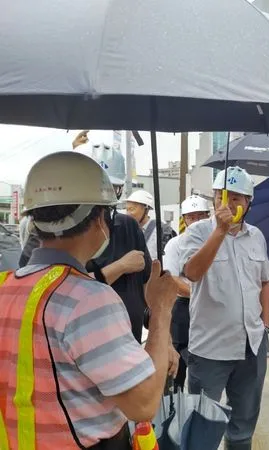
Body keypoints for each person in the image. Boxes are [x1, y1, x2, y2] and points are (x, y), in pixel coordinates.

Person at [0, 151, 178, 449]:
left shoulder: (5, 287)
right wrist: (160, 312)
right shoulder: (87, 298)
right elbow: (143, 403)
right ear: (99, 218)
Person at [20, 132, 156, 344]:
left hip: (129, 337)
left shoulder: (127, 226)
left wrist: (158, 327)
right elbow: (44, 291)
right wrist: (118, 268)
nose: (99, 213)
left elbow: (145, 281)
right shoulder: (47, 234)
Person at [181, 166, 269, 450]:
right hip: (210, 349)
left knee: (243, 428)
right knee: (200, 429)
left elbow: (265, 282)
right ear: (213, 201)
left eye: (237, 198)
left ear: (248, 203)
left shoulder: (256, 236)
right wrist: (219, 232)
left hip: (251, 346)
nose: (229, 204)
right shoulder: (197, 232)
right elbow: (192, 273)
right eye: (223, 197)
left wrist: (265, 326)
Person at [163, 195, 211, 391]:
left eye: (201, 216)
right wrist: (200, 293)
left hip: (211, 309)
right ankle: (175, 402)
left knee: (206, 361)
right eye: (191, 217)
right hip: (184, 308)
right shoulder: (175, 244)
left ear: (209, 216)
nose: (196, 221)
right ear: (184, 219)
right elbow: (172, 279)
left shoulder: (217, 242)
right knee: (180, 360)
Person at [126, 190, 176, 260]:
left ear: (146, 210)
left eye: (132, 209)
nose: (128, 214)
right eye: (127, 209)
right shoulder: (126, 231)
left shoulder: (162, 231)